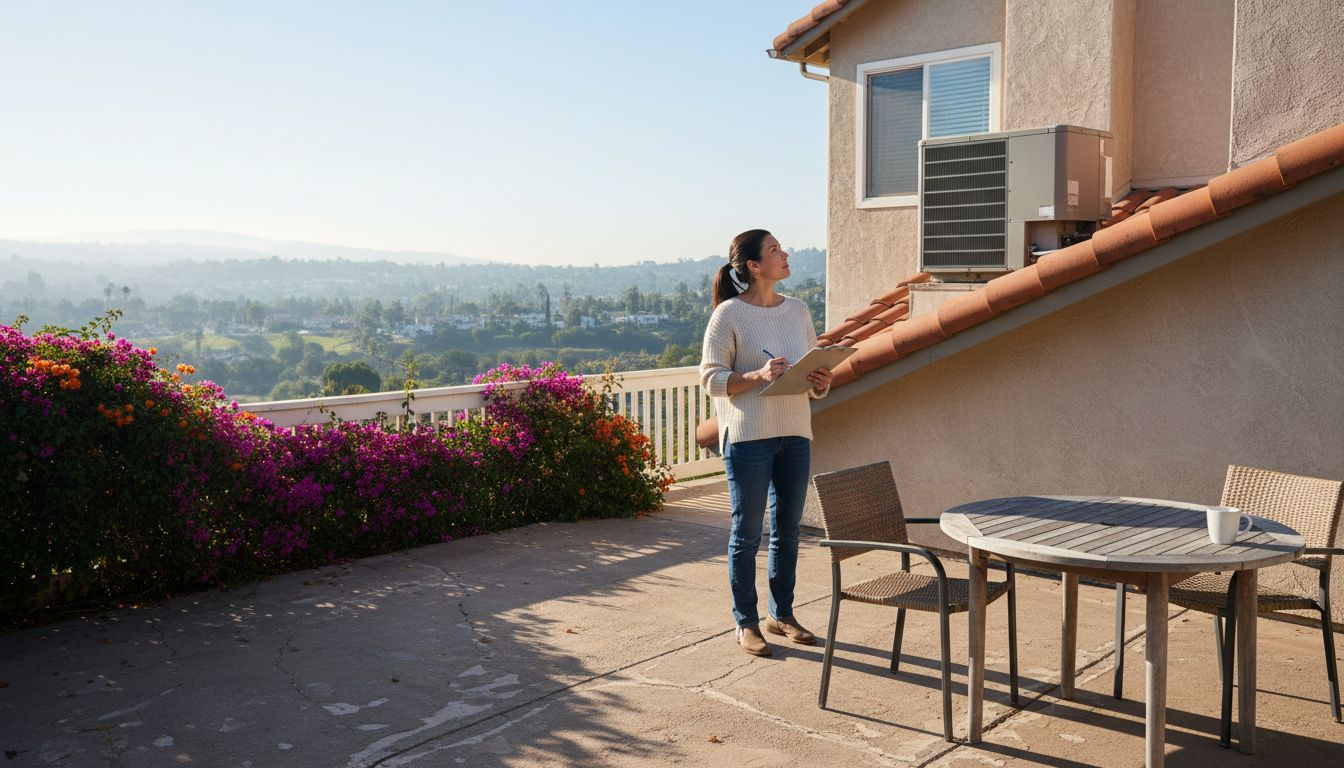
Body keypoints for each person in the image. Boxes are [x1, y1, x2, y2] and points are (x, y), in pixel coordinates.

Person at [699, 229, 832, 657]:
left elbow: (811, 374)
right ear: (754, 266)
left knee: (788, 532)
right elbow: (711, 380)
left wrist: (820, 381)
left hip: (795, 433)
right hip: (748, 438)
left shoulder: (798, 310)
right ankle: (746, 623)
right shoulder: (728, 315)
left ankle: (782, 614)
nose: (785, 253)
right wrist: (758, 375)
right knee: (747, 535)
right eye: (775, 250)